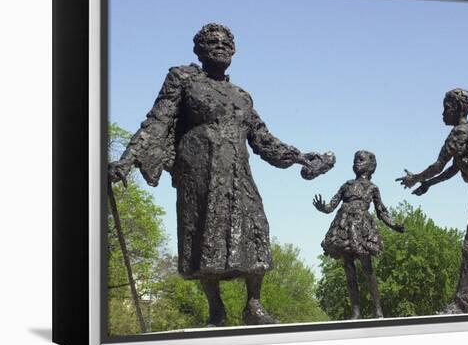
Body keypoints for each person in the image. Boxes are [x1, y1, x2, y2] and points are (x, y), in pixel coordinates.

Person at [109, 23, 333, 327]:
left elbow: (263, 139)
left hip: (238, 172)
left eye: (226, 43)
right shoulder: (183, 79)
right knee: (205, 235)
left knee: (256, 229)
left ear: (235, 50)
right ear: (198, 50)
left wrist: (302, 158)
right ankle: (216, 308)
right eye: (212, 42)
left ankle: (253, 304)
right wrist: (126, 160)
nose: (220, 47)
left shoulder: (241, 96)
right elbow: (157, 121)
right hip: (199, 172)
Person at [396, 88, 468, 314]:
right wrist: (428, 184)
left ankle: (461, 304)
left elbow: (439, 165)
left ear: (458, 108)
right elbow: (453, 169)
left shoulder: (459, 133)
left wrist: (416, 178)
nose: (443, 113)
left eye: (446, 108)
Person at [313, 150, 405, 319]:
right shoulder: (346, 185)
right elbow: (331, 206)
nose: (356, 163)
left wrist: (394, 225)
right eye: (355, 160)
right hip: (343, 227)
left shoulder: (372, 188)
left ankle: (378, 310)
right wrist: (322, 207)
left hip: (361, 229)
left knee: (367, 269)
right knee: (349, 270)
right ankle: (356, 311)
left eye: (361, 160)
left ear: (370, 166)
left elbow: (381, 212)